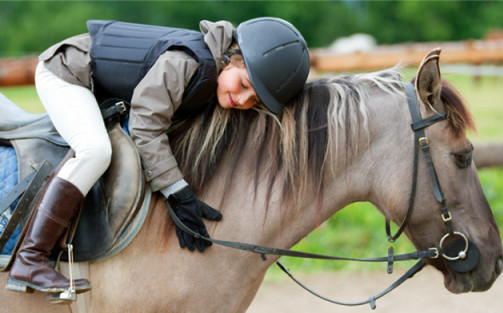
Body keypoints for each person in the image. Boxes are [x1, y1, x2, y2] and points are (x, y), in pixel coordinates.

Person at [6, 17, 310, 295]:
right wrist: (178, 191)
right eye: (244, 84)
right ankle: (30, 257)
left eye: (253, 99)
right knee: (95, 151)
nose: (241, 99)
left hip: (96, 84)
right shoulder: (186, 63)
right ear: (229, 59)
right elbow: (146, 125)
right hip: (66, 72)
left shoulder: (213, 73)